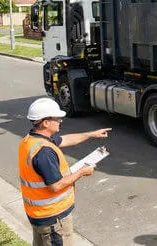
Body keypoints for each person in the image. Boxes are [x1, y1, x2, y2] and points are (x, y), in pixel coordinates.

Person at [19, 97, 112, 246]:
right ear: (45, 122)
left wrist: (91, 134)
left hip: (39, 216)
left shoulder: (31, 140)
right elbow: (55, 186)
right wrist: (81, 172)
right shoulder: (44, 152)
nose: (60, 121)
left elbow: (66, 140)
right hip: (53, 220)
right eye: (57, 119)